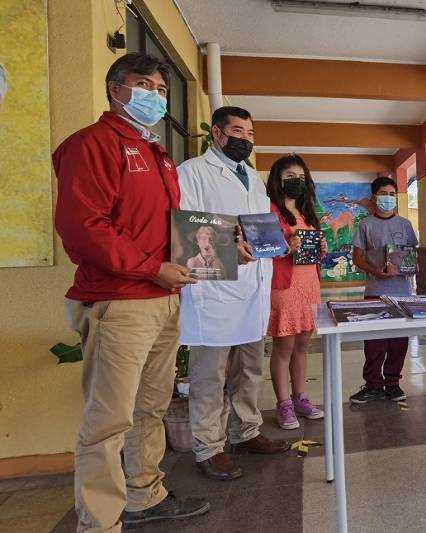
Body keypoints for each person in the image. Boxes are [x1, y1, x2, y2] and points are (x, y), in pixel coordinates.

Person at [53, 52, 209, 532]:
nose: (155, 96)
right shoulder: (93, 144)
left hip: (162, 299)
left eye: (162, 90)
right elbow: (83, 227)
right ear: (114, 89)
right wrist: (149, 268)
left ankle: (144, 494)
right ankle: (99, 523)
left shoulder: (155, 152)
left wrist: (215, 251)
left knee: (150, 407)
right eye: (144, 85)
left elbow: (163, 229)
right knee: (108, 421)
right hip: (120, 301)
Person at [177, 106, 290, 482]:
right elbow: (184, 226)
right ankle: (208, 447)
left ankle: (247, 432)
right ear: (218, 135)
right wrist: (229, 250)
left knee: (250, 367)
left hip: (252, 286)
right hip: (215, 288)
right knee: (209, 372)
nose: (246, 139)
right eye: (238, 131)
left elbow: (257, 227)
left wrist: (275, 245)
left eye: (251, 133)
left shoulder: (254, 179)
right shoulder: (191, 172)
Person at [266, 154, 327, 429]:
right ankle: (284, 405)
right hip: (284, 286)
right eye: (290, 176)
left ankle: (300, 397)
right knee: (284, 346)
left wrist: (321, 250)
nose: (296, 182)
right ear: (278, 180)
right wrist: (284, 246)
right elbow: (262, 250)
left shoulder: (307, 212)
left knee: (303, 345)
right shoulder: (269, 210)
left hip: (309, 285)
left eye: (301, 177)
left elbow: (311, 250)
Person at [349, 176, 418, 404]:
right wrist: (375, 271)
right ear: (374, 197)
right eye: (383, 194)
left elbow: (411, 254)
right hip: (375, 290)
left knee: (398, 341)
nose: (388, 198)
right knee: (374, 342)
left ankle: (393, 383)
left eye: (392, 194)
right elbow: (357, 258)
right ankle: (373, 385)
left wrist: (409, 267)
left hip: (401, 292)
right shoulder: (365, 224)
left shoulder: (405, 225)